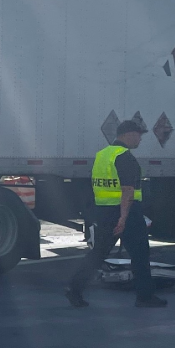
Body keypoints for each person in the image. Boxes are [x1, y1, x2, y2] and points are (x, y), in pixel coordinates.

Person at [66, 119, 166, 308]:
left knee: (99, 252)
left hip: (104, 210)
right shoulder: (124, 157)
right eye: (139, 135)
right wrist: (123, 217)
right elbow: (127, 190)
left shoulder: (102, 155)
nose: (140, 140)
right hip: (126, 212)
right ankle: (145, 297)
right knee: (140, 253)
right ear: (128, 134)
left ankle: (74, 288)